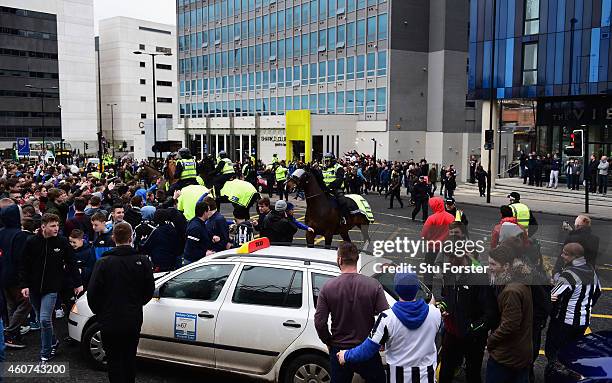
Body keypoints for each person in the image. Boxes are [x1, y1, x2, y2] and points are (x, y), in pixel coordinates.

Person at [337, 272, 442, 382]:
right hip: (427, 378)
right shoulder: (435, 314)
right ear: (417, 289)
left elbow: (367, 349)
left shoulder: (387, 318)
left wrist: (346, 355)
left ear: (396, 289)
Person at [87, 222, 155, 383]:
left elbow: (93, 293)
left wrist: (101, 312)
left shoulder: (103, 263)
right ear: (131, 237)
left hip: (109, 318)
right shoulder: (143, 261)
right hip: (132, 317)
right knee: (129, 356)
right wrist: (137, 304)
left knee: (114, 360)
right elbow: (149, 290)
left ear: (113, 238)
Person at [314, 242, 388, 383]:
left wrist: (328, 341)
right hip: (367, 349)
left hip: (339, 350)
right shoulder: (373, 285)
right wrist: (380, 341)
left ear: (340, 260)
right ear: (357, 259)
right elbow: (386, 317)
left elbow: (319, 322)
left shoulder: (327, 287)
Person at [19, 213, 83, 362]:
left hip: (52, 287)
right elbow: (23, 265)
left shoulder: (62, 242)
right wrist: (24, 285)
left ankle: (46, 352)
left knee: (44, 320)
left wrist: (78, 283)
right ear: (43, 227)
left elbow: (72, 262)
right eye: (52, 226)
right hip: (34, 288)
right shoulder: (31, 242)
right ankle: (53, 340)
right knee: (42, 319)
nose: (56, 229)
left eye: (57, 225)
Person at [437, 232, 497, 383]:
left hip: (473, 339)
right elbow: (448, 296)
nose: (449, 261)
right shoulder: (449, 272)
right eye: (447, 257)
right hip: (452, 333)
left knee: (473, 374)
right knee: (445, 372)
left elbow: (490, 314)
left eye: (452, 257)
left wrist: (471, 329)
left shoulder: (479, 277)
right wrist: (443, 306)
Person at [545, 243, 601, 369]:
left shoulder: (569, 274)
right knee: (573, 354)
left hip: (564, 323)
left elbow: (553, 296)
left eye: (565, 253)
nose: (562, 256)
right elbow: (598, 291)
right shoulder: (591, 271)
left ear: (574, 257)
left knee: (554, 354)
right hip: (583, 321)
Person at [486, 243, 533, 383]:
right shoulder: (520, 280)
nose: (489, 267)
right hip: (521, 352)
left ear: (506, 266)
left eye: (493, 264)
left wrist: (491, 340)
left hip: (507, 355)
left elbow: (510, 325)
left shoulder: (511, 291)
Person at [1, 204, 33, 349]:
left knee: (11, 305)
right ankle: (10, 333)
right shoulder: (19, 235)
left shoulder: (1, 232)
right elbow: (21, 259)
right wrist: (24, 280)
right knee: (26, 302)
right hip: (15, 277)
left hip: (3, 275)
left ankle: (13, 334)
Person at [421, 197, 455, 290]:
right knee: (446, 270)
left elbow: (424, 235)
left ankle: (428, 291)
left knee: (428, 270)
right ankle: (446, 291)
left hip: (433, 248)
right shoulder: (451, 217)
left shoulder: (431, 219)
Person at [322, 153, 350, 223]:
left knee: (342, 200)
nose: (326, 163)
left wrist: (329, 187)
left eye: (327, 161)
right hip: (325, 189)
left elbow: (339, 180)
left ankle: (343, 217)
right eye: (325, 161)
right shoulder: (323, 168)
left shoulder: (339, 167)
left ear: (332, 161)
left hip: (336, 189)